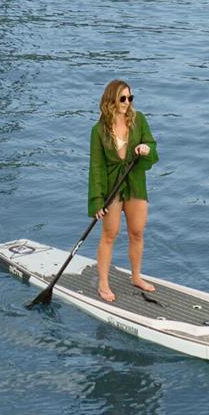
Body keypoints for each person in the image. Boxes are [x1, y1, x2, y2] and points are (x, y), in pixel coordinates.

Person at [88, 79, 157, 303]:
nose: (127, 102)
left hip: (135, 182)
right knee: (110, 234)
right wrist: (97, 201)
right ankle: (103, 283)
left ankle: (136, 276)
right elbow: (96, 168)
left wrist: (146, 148)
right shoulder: (98, 130)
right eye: (122, 98)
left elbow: (152, 148)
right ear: (111, 100)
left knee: (137, 232)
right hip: (112, 186)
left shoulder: (139, 121)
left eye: (130, 98)